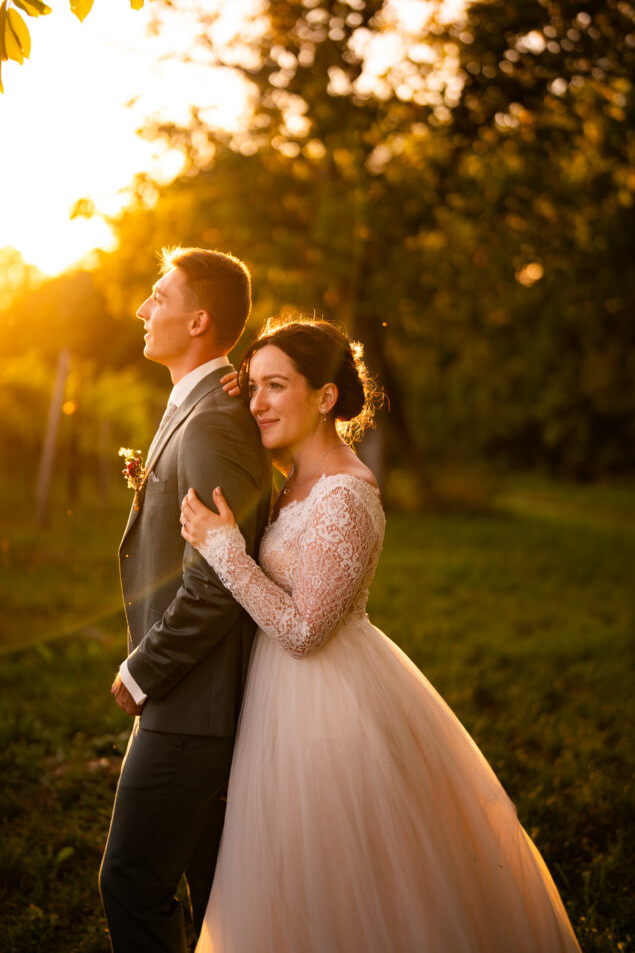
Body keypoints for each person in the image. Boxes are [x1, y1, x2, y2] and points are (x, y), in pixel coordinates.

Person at [180, 315, 582, 953]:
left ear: (326, 396)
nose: (258, 402)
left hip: (328, 706)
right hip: (276, 701)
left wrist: (226, 550)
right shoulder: (292, 483)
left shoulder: (346, 493)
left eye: (276, 386)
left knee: (339, 878)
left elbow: (306, 629)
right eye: (253, 386)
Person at [99, 247, 272, 953]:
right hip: (190, 700)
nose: (143, 309)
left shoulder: (210, 424)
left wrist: (143, 668)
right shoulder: (197, 407)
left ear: (198, 321)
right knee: (211, 893)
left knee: (132, 881)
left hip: (191, 703)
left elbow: (216, 584)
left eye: (157, 297)